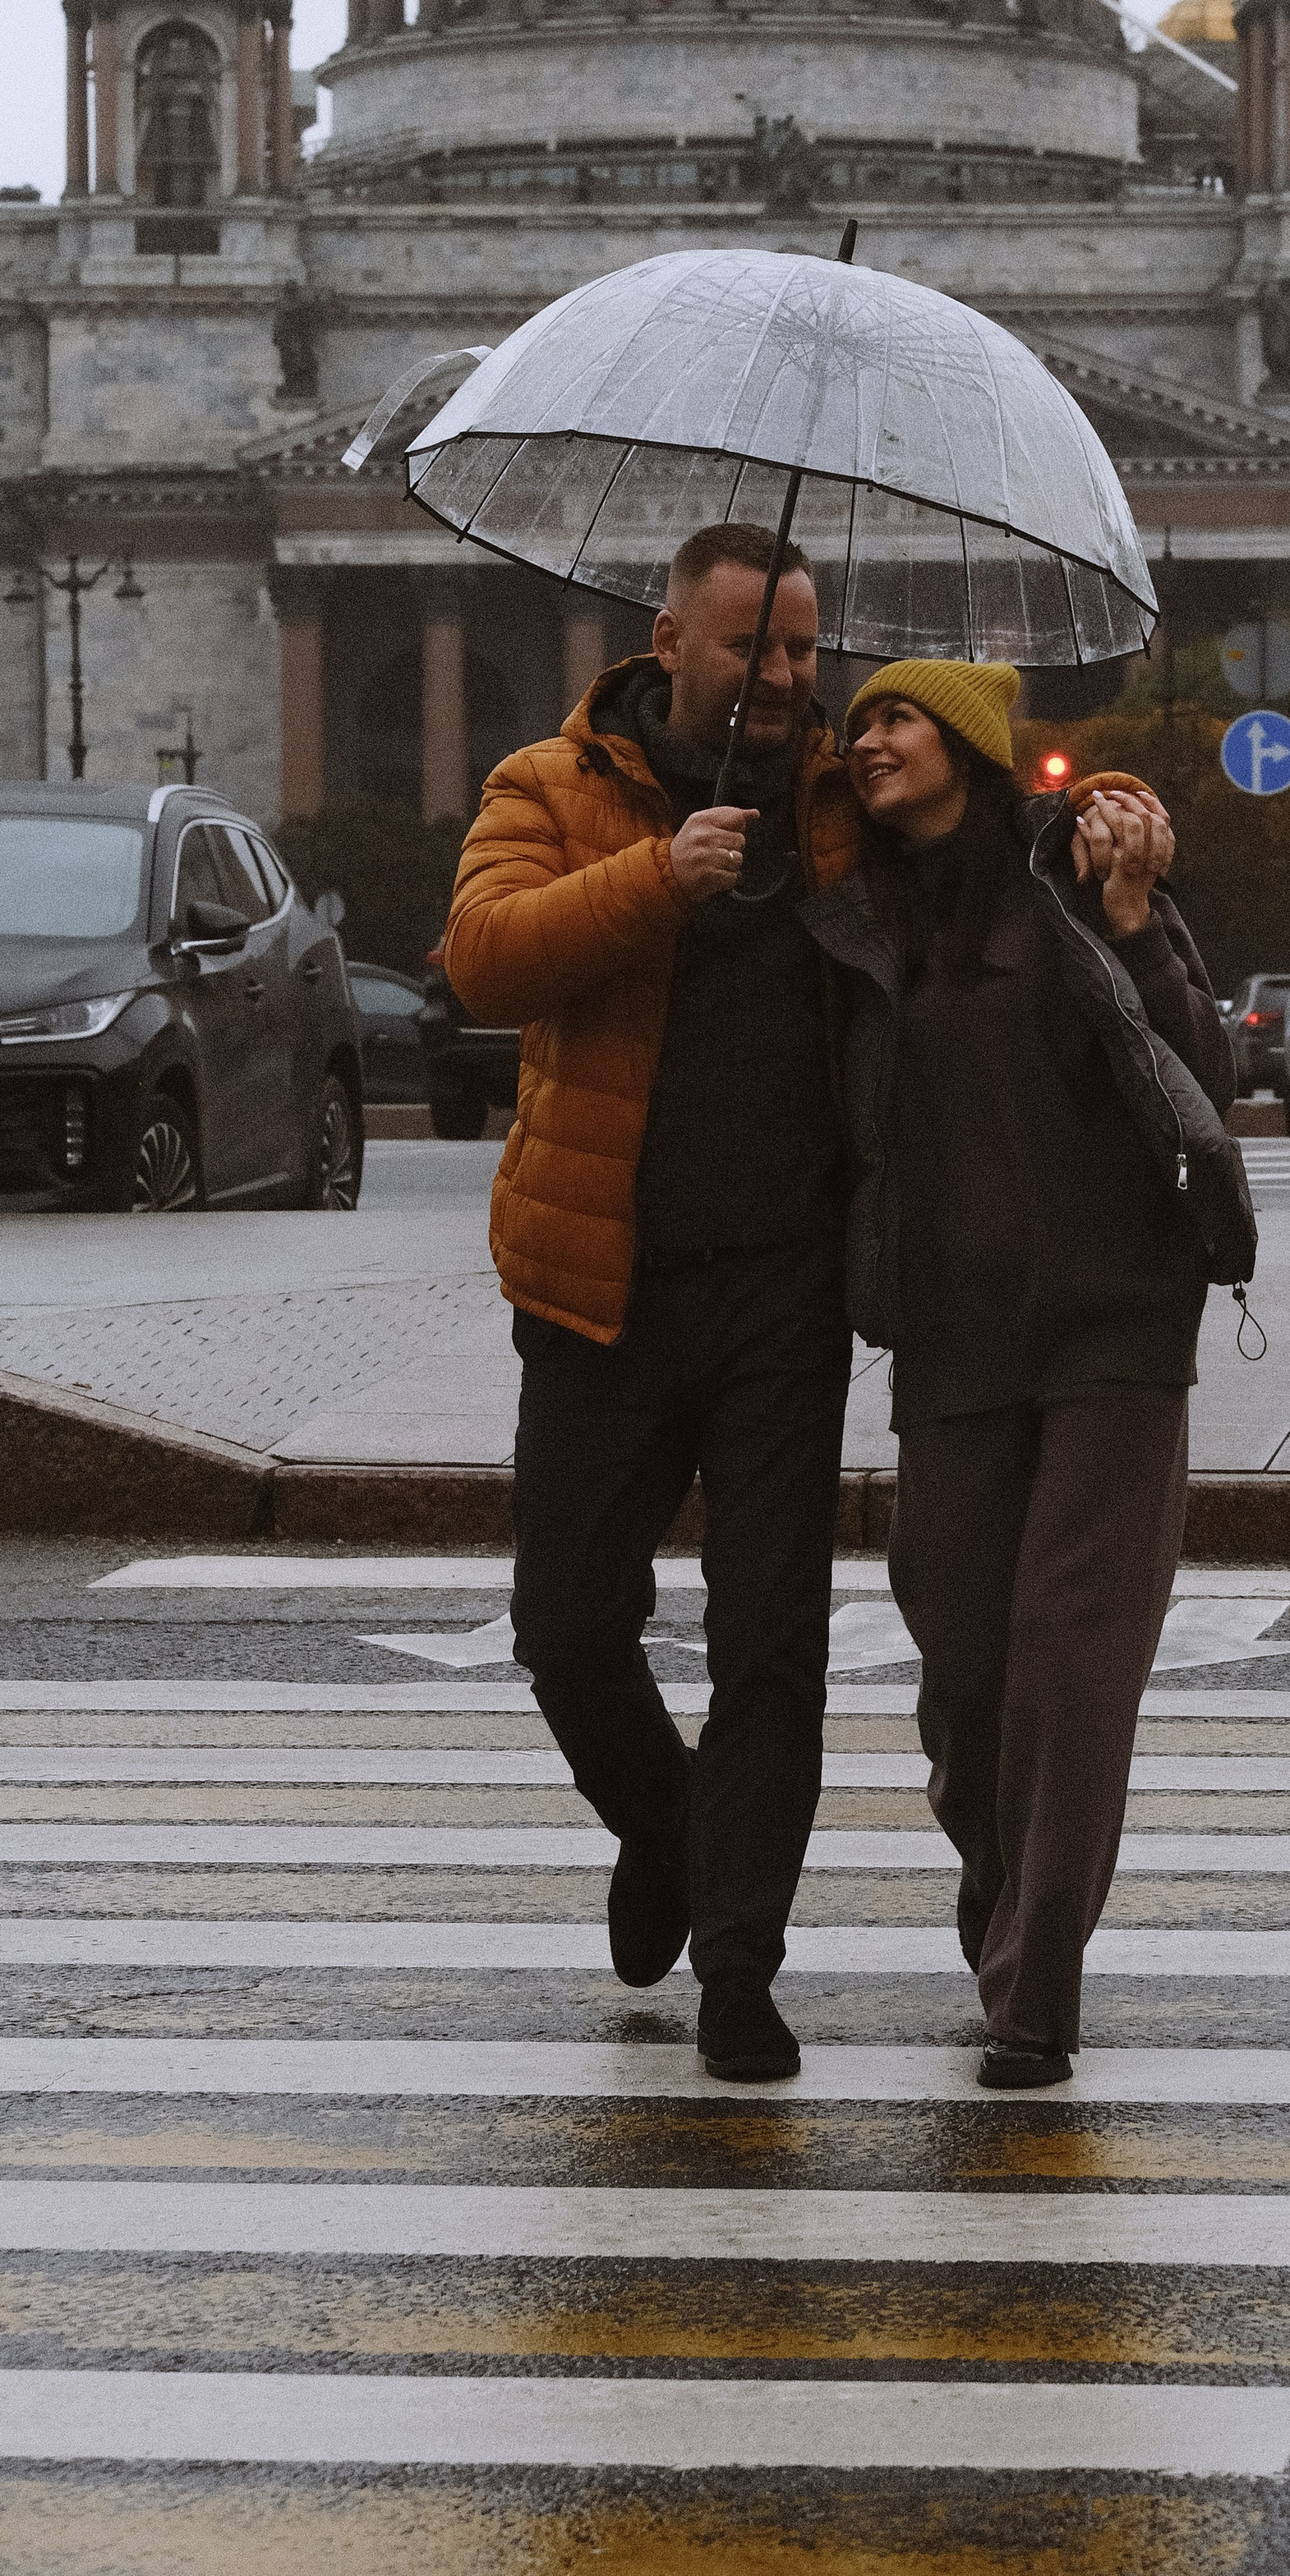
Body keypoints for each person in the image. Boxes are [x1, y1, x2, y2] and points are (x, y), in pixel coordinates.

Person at [441, 522, 859, 2084]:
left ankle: (742, 1971)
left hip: (783, 1292)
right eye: (755, 645)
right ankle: (669, 1835)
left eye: (808, 650)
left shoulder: (838, 800)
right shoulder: (549, 787)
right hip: (597, 1287)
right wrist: (658, 877)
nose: (784, 677)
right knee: (566, 1629)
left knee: (772, 1642)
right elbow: (483, 960)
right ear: (669, 642)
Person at [801, 659, 1240, 2086]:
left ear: (974, 751)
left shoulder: (1071, 891)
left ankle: (1035, 1988)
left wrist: (1135, 916)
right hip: (950, 1338)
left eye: (898, 719)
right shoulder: (848, 922)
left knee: (1072, 1664)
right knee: (963, 1675)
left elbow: (1195, 1070)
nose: (868, 738)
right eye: (857, 722)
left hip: (1117, 1326)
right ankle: (1004, 1903)